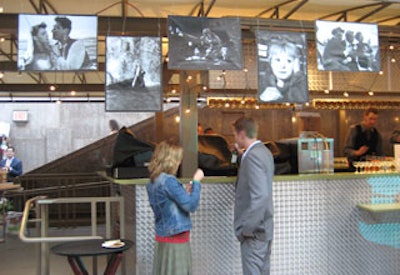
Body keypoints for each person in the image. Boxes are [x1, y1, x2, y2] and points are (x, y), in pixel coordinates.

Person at [146, 141, 204, 275]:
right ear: (171, 160)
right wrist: (196, 182)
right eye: (178, 159)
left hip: (163, 235)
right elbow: (191, 206)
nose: (179, 163)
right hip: (176, 238)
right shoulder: (169, 181)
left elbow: (169, 203)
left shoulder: (153, 180)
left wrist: (186, 192)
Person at [232, 117, 274, 275]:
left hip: (254, 232)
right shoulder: (264, 152)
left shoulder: (252, 157)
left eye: (235, 135)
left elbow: (260, 196)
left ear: (241, 134)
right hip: (265, 228)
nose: (235, 139)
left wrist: (246, 228)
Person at [259, 35, 308, 103]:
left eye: (289, 61)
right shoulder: (262, 84)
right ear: (270, 62)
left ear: (295, 63)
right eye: (278, 60)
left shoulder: (302, 85)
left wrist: (297, 73)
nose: (283, 66)